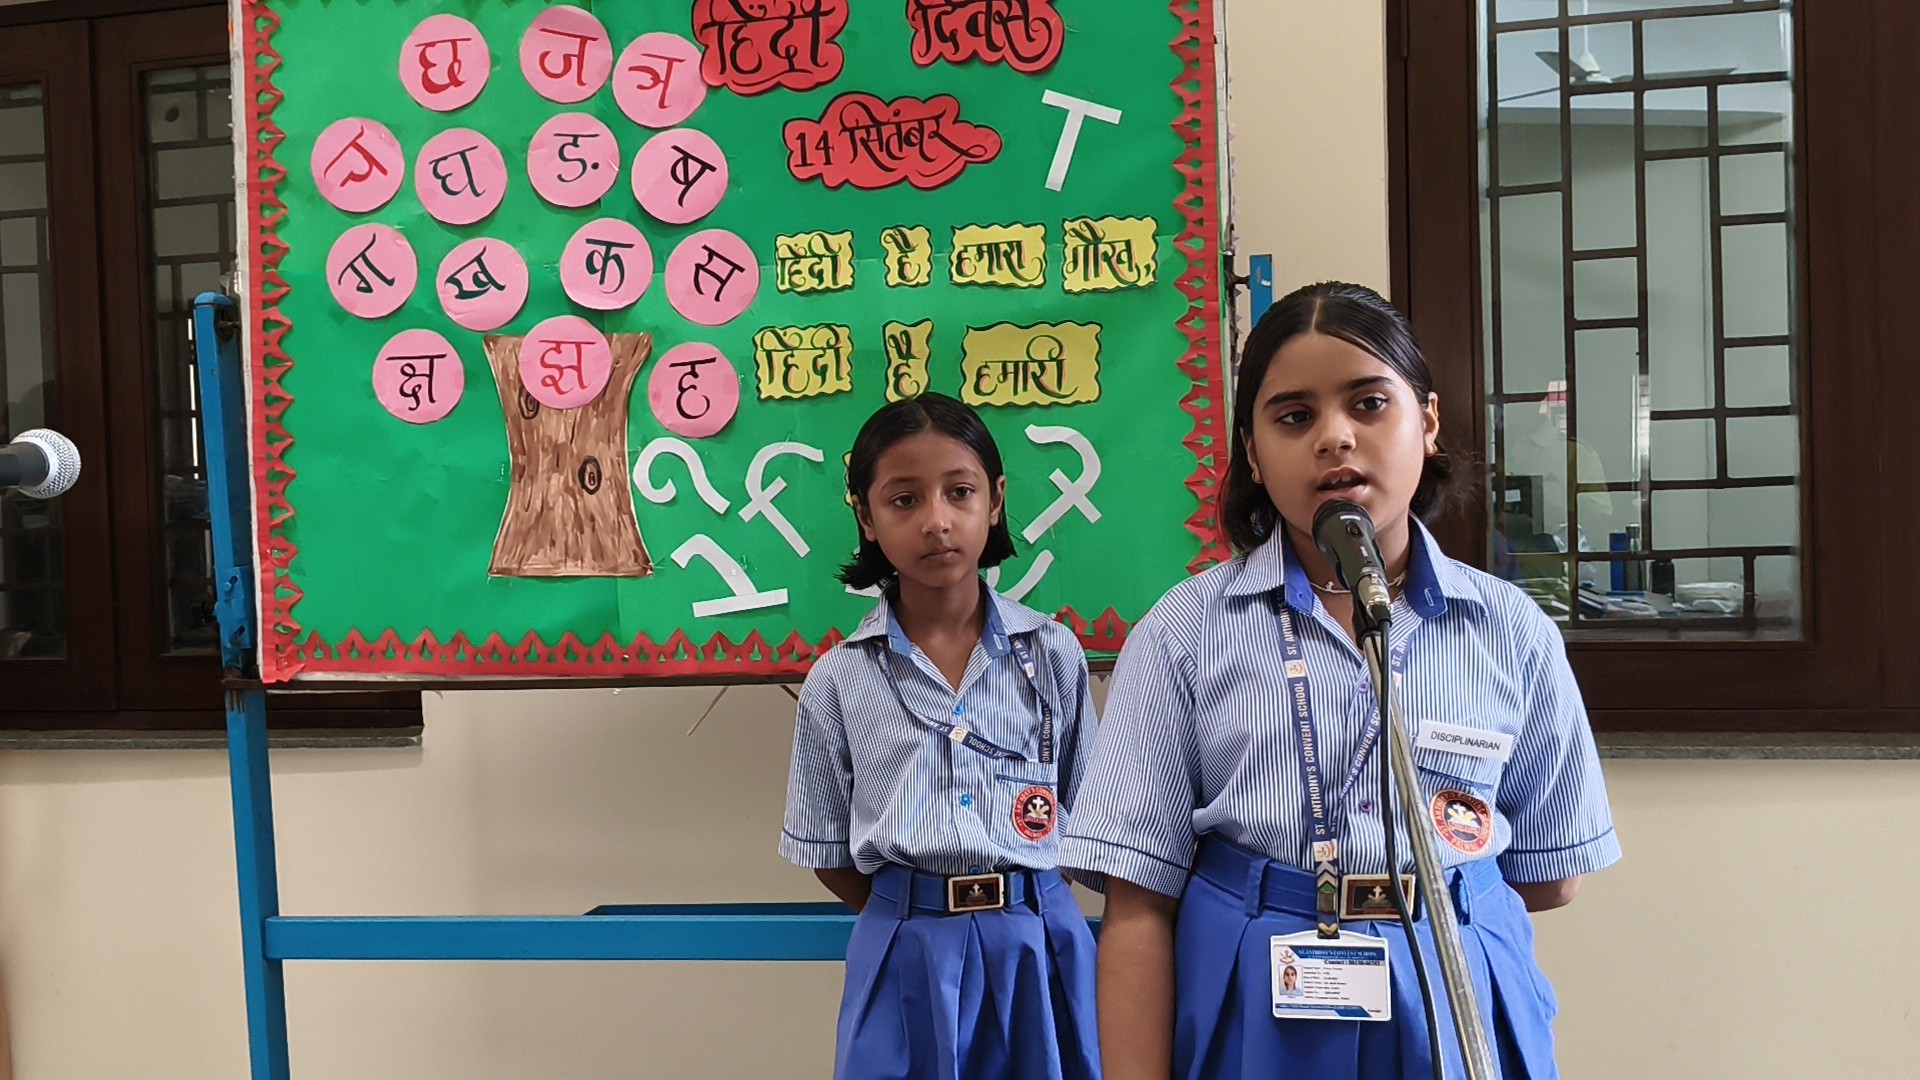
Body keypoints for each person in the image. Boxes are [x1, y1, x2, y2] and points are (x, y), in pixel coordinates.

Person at [1059, 282, 1620, 1080]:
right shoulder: (1184, 634)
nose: (1335, 438)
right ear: (1254, 454)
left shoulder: (1509, 629)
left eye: (1369, 404)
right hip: (1257, 989)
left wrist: (1421, 904)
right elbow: (1138, 905)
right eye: (1294, 417)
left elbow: (1551, 875)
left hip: (1451, 978)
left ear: (1427, 421)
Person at [780, 392, 1101, 1080]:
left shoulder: (1052, 654)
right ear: (865, 517)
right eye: (904, 500)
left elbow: (1091, 815)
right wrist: (913, 910)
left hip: (1038, 942)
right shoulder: (839, 679)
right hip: (905, 946)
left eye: (960, 492)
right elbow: (827, 852)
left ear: (996, 500)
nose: (937, 521)